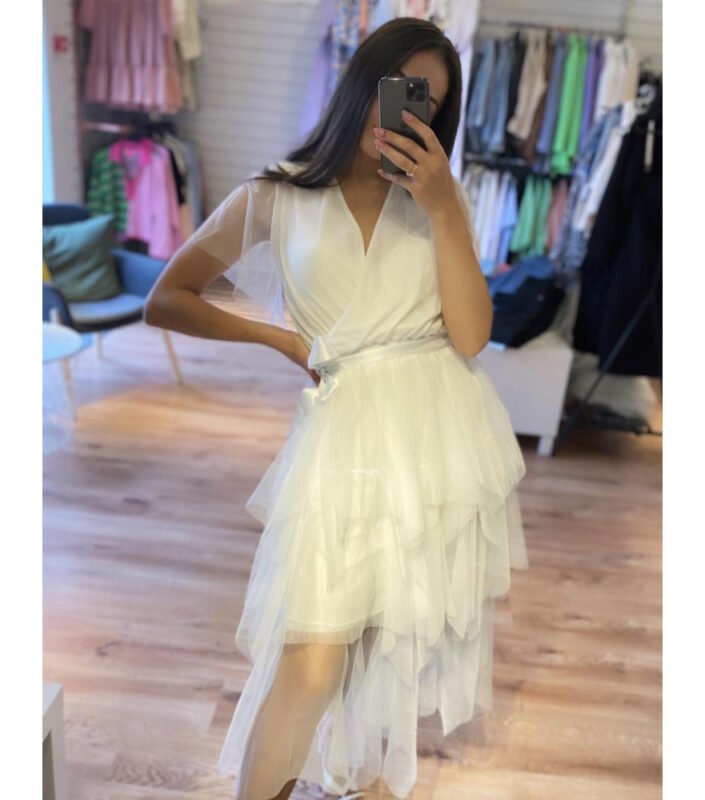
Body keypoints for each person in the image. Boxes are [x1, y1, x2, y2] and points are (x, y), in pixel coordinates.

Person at [144, 16, 529, 800]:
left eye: (429, 104)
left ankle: (353, 775)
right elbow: (168, 297)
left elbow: (470, 335)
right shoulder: (275, 194)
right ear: (364, 84)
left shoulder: (439, 201)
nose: (409, 111)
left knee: (376, 641)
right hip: (345, 432)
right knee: (312, 656)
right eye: (401, 89)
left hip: (436, 435)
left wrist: (445, 208)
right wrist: (280, 340)